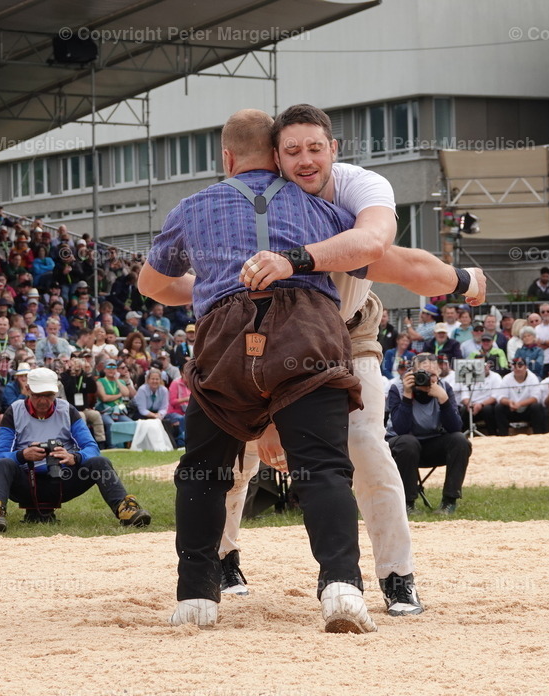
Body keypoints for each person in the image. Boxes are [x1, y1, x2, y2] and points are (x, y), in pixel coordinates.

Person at [138, 108, 377, 632]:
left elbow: (151, 285)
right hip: (307, 331)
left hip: (225, 336)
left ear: (227, 157)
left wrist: (207, 285)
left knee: (204, 469)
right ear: (275, 154)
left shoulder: (192, 207)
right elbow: (371, 258)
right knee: (323, 468)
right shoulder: (322, 207)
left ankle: (196, 598)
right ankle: (341, 588)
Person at [0, 367, 149, 532]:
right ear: (27, 389)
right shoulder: (14, 411)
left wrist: (73, 457)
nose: (43, 401)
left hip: (63, 478)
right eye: (37, 395)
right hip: (25, 480)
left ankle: (125, 507)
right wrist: (22, 455)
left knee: (100, 462)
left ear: (56, 391)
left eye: (48, 395)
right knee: (3, 464)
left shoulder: (67, 410)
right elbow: (0, 456)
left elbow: (92, 448)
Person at [386, 353, 470, 515]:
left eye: (431, 375)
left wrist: (444, 399)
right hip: (402, 448)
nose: (426, 379)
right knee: (408, 442)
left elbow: (455, 428)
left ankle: (449, 501)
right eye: (421, 374)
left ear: (439, 374)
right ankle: (407, 503)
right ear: (411, 373)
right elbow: (401, 429)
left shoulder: (444, 388)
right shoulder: (398, 388)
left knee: (460, 440)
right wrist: (408, 395)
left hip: (432, 444)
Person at [496, 357, 547, 435]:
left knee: (537, 407)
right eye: (515, 366)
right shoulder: (506, 378)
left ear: (526, 367)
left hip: (527, 410)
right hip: (512, 409)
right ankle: (503, 435)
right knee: (499, 407)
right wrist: (509, 402)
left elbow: (536, 398)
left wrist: (520, 404)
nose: (517, 368)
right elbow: (501, 397)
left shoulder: (533, 378)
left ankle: (538, 434)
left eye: (520, 366)